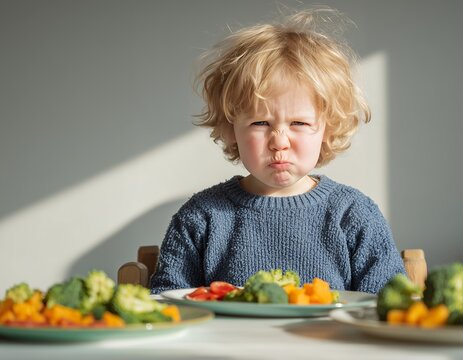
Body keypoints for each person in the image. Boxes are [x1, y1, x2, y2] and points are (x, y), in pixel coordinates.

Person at [150, 8, 405, 295]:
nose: (279, 141)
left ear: (327, 129)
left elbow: (387, 305)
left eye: (299, 123)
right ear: (230, 127)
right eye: (260, 122)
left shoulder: (354, 214)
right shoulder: (203, 216)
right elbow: (167, 304)